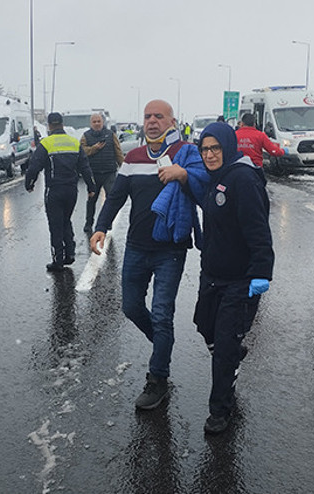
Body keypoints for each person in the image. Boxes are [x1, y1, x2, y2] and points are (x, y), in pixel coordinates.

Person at [90, 99, 206, 410]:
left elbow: (204, 190)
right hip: (137, 247)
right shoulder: (133, 157)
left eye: (158, 116)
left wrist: (183, 174)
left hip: (170, 249)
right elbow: (116, 197)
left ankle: (158, 379)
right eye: (147, 116)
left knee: (162, 313)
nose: (152, 121)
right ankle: (163, 344)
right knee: (131, 307)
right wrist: (101, 227)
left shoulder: (187, 153)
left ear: (172, 122)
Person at [193, 122, 274, 434]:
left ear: (227, 147)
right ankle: (233, 354)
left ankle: (220, 410)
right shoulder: (217, 178)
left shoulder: (242, 179)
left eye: (215, 148)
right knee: (205, 326)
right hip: (213, 274)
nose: (210, 154)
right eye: (205, 149)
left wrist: (261, 271)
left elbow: (258, 229)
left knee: (224, 347)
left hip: (240, 279)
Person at [25, 112, 96, 271]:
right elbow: (85, 167)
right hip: (71, 190)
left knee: (55, 224)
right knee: (66, 220)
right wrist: (91, 187)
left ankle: (58, 260)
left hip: (54, 190)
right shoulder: (74, 142)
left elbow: (34, 166)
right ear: (62, 124)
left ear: (49, 126)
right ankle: (70, 253)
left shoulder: (46, 143)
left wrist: (29, 184)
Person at [80, 112, 125, 237]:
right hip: (93, 173)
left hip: (109, 172)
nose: (97, 124)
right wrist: (94, 148)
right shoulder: (85, 136)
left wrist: (124, 167)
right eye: (94, 122)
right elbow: (82, 151)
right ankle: (88, 223)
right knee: (91, 200)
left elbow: (118, 152)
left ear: (102, 122)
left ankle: (107, 222)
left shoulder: (110, 135)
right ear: (91, 123)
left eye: (98, 121)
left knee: (111, 199)